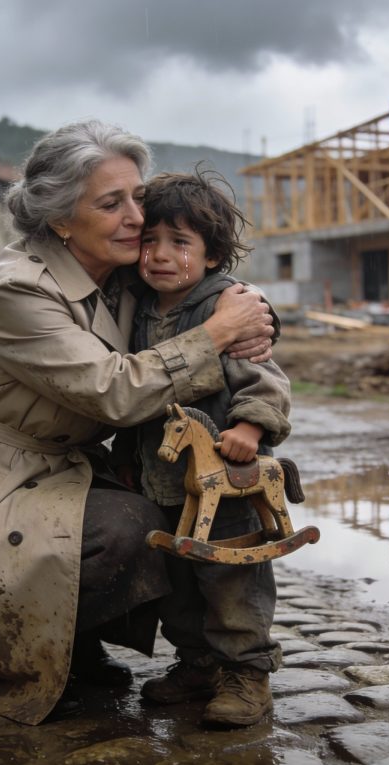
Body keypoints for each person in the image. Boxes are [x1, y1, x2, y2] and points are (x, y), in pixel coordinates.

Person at [0, 120, 277, 726]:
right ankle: (21, 648)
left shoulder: (123, 266)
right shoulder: (19, 290)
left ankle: (97, 645)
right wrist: (220, 332)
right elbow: (113, 392)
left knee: (163, 509)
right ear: (59, 220)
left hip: (65, 465)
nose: (137, 217)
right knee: (125, 530)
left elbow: (203, 282)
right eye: (112, 203)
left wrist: (257, 315)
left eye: (138, 195)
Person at [112, 169, 291, 727]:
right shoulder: (138, 305)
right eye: (150, 241)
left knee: (232, 583)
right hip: (160, 483)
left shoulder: (227, 308)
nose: (160, 255)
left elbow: (266, 379)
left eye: (180, 243)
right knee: (179, 587)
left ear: (213, 256)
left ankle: (246, 674)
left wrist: (250, 430)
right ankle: (197, 664)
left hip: (226, 482)